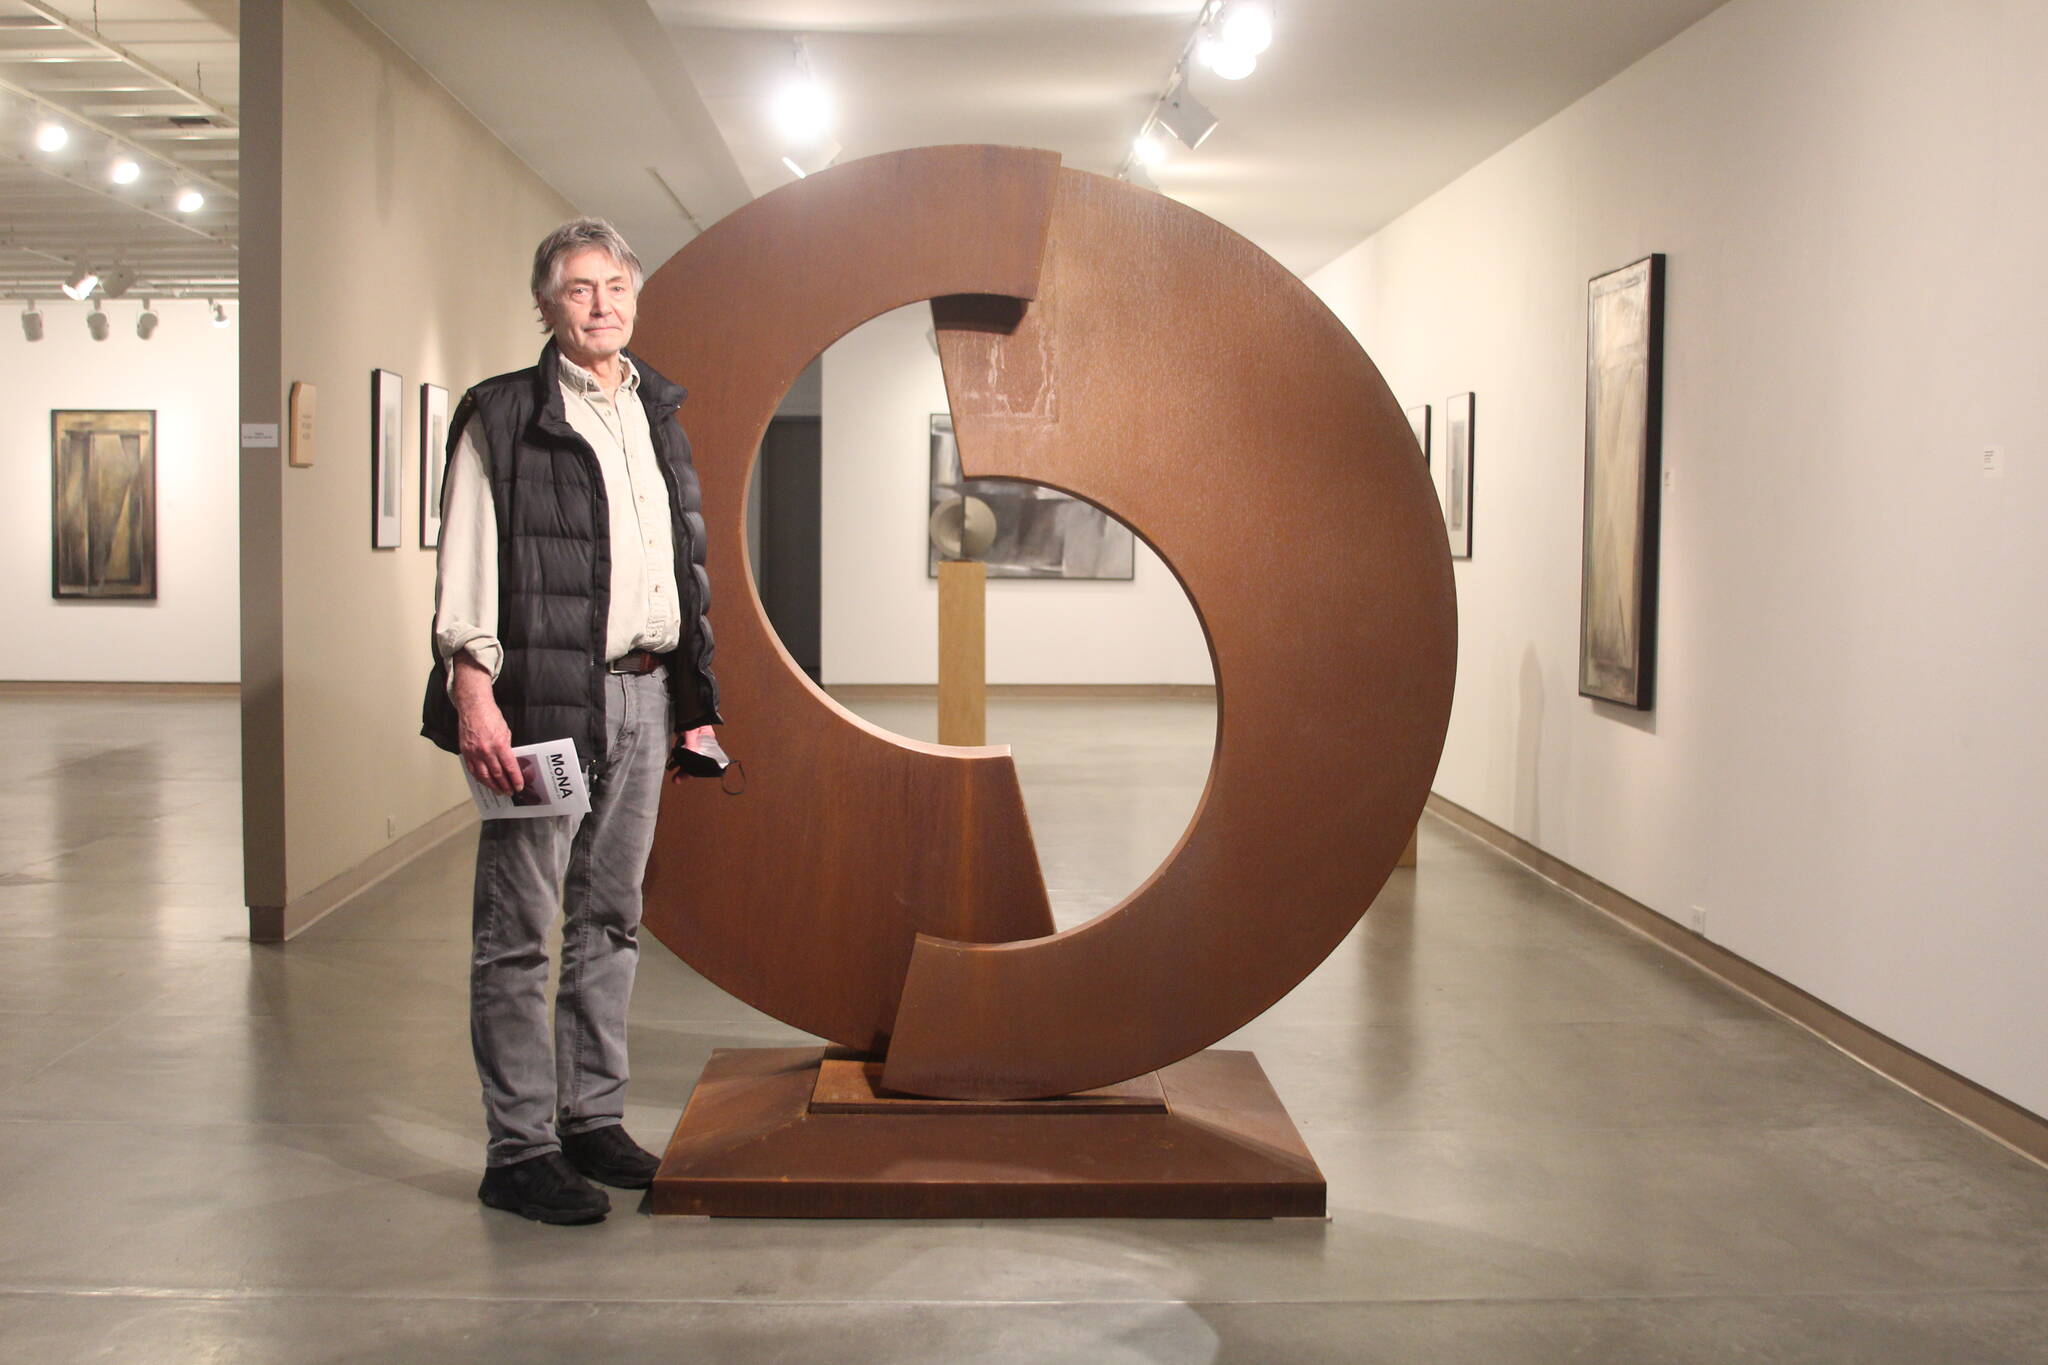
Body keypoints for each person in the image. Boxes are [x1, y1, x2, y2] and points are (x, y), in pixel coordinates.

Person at [421, 218, 720, 1224]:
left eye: (615, 286)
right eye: (578, 288)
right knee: (517, 932)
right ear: (545, 305)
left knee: (609, 921)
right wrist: (474, 692)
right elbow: (467, 562)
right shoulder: (502, 415)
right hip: (543, 702)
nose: (601, 304)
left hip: (644, 692)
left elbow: (682, 570)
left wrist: (693, 705)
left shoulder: (656, 414)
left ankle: (591, 1116)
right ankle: (519, 1149)